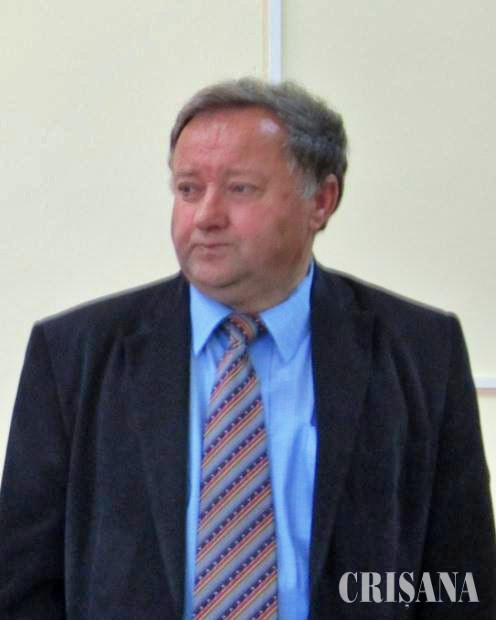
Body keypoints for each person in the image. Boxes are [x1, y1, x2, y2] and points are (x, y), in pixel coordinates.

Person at [0, 78, 494, 619]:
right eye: (189, 189)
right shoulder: (74, 355)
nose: (206, 216)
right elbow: (22, 585)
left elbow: (457, 580)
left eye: (239, 189)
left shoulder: (421, 352)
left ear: (321, 200)